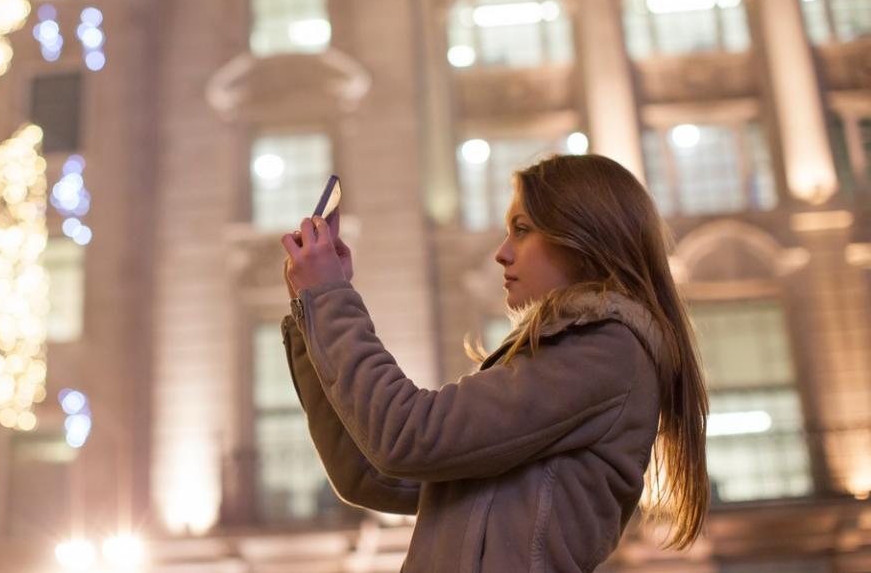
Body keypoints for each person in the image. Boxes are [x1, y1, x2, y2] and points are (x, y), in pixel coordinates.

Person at [279, 153, 709, 572]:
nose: (502, 252)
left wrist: (329, 298)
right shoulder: (575, 354)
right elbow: (373, 475)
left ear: (583, 239)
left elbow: (410, 436)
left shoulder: (605, 349)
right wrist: (311, 311)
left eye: (522, 230)